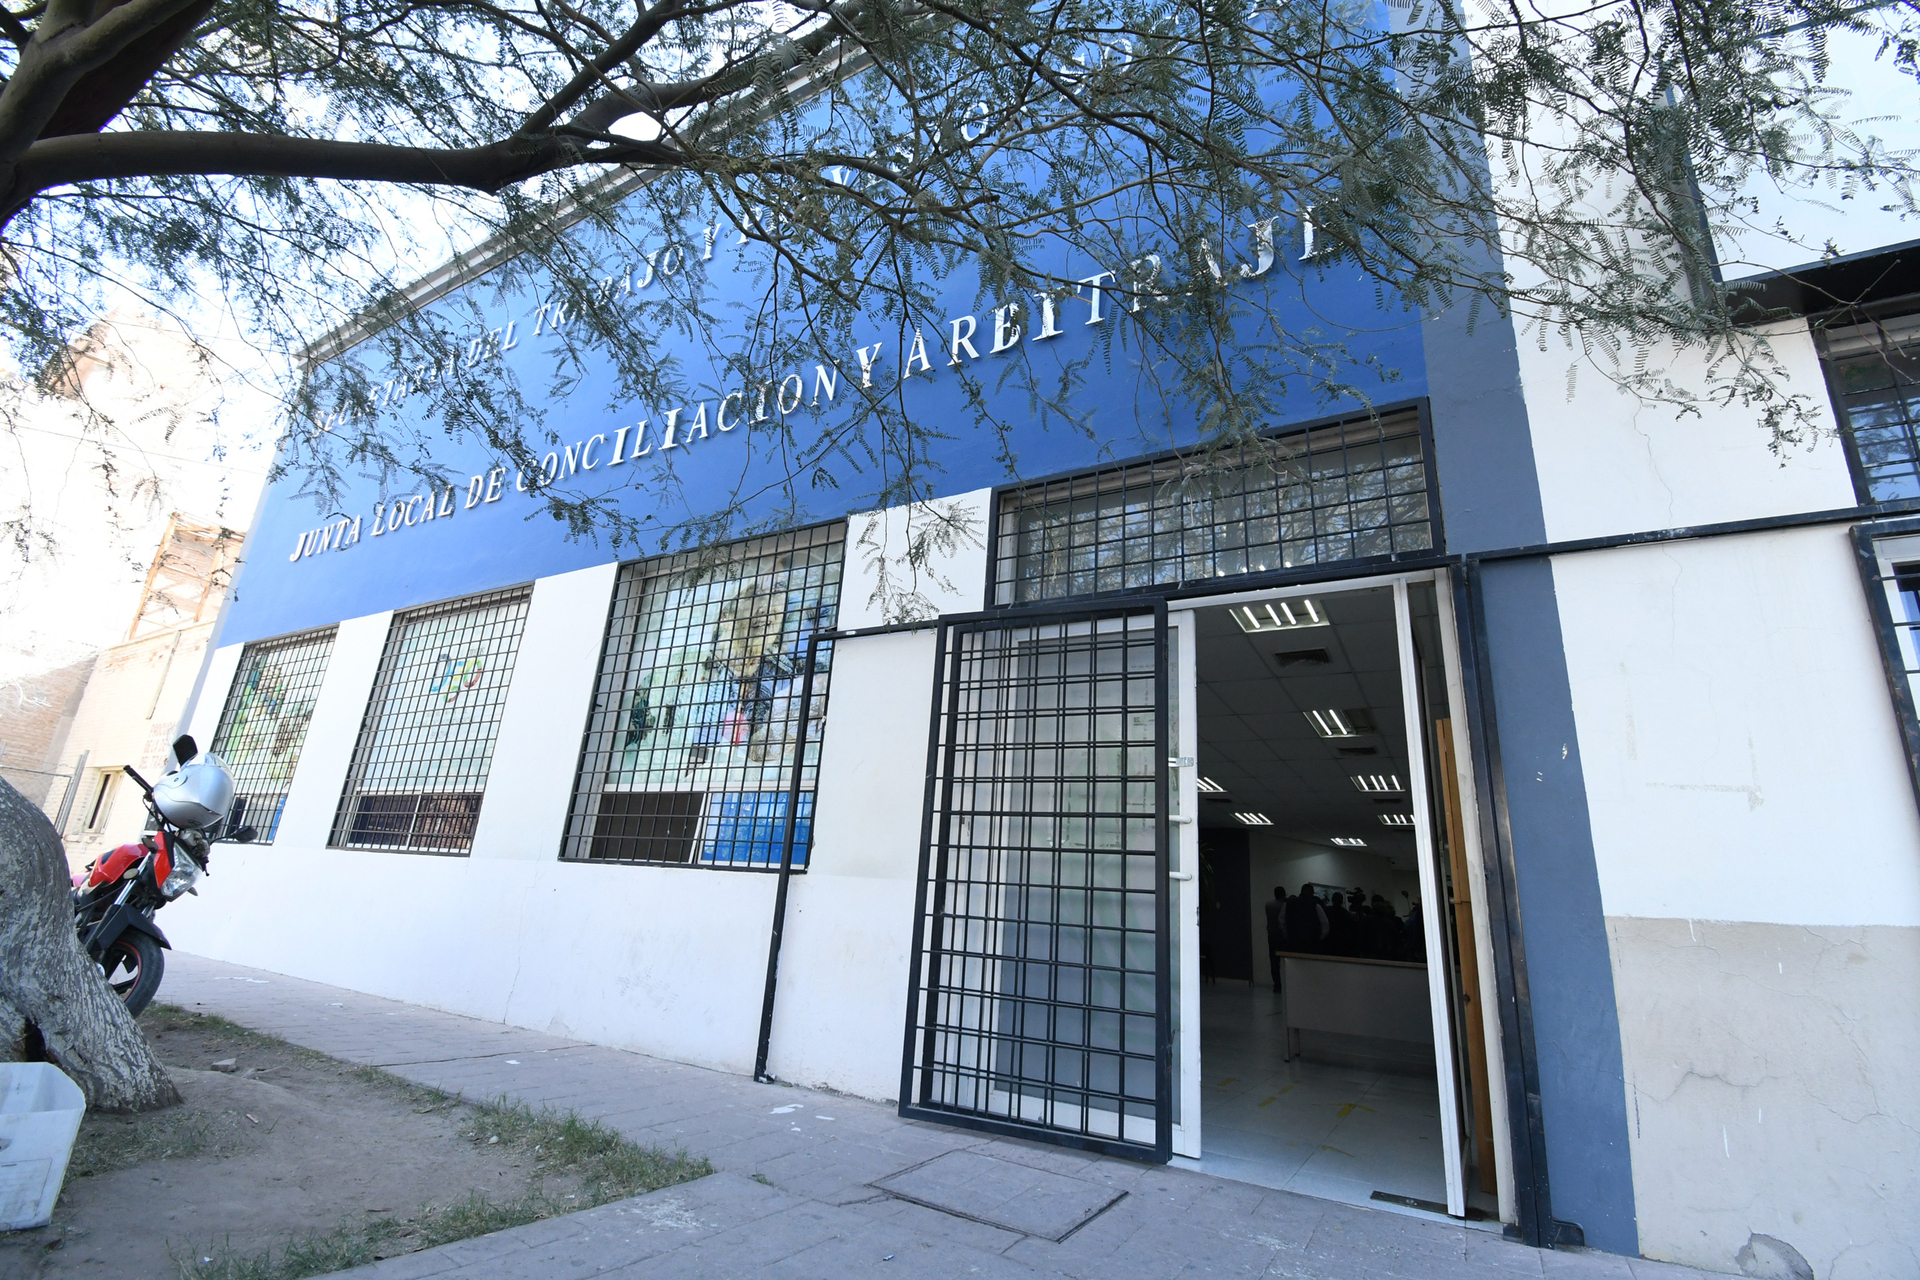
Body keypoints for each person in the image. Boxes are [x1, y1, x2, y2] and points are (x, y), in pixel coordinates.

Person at [1284, 882, 1329, 954]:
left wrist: (1286, 934)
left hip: (1293, 940)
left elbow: (1281, 920)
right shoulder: (1315, 906)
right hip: (1311, 942)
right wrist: (1319, 937)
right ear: (1311, 893)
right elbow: (1325, 923)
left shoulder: (1289, 903)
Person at [1262, 886, 1288, 989]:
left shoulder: (1268, 905)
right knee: (1285, 960)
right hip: (1282, 935)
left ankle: (1277, 984)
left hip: (1271, 935)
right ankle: (1286, 983)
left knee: (1273, 961)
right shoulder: (1284, 905)